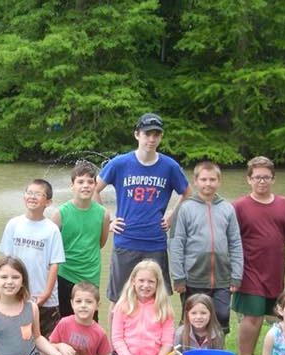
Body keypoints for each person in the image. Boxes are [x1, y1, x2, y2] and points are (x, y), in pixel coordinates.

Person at [95, 113, 191, 315]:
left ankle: (153, 345)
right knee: (119, 300)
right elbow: (93, 189)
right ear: (137, 135)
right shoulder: (120, 163)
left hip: (155, 242)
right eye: (147, 134)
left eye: (156, 134)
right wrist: (109, 219)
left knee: (156, 300)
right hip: (126, 241)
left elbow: (187, 193)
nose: (152, 139)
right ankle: (116, 347)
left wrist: (171, 216)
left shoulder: (169, 166)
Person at [232, 156, 285, 355]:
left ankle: (256, 354)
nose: (262, 181)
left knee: (271, 315)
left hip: (274, 269)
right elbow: (232, 238)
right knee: (253, 315)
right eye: (257, 177)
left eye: (266, 177)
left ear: (273, 179)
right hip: (248, 269)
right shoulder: (239, 206)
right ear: (249, 179)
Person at [169, 161, 243, 335]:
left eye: (212, 179)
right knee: (193, 317)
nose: (208, 183)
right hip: (193, 276)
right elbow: (176, 243)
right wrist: (178, 276)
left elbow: (235, 243)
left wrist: (236, 275)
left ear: (219, 181)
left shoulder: (227, 208)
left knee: (222, 316)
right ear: (195, 181)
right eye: (203, 179)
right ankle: (186, 354)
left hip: (222, 277)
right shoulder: (185, 208)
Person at [0, 179, 66, 338]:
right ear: (24, 197)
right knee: (17, 337)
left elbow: (54, 264)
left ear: (48, 202)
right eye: (29, 193)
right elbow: (6, 260)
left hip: (43, 296)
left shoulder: (52, 229)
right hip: (16, 292)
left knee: (43, 339)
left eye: (38, 194)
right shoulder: (13, 224)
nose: (32, 197)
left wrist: (46, 294)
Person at [110, 259, 175, 355]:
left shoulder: (165, 309)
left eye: (151, 281)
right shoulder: (122, 306)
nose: (145, 285)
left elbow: (167, 343)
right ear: (133, 281)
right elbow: (117, 339)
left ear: (157, 284)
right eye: (141, 280)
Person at [51, 161, 110, 319]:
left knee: (90, 322)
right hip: (65, 274)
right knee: (65, 320)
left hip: (90, 276)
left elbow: (101, 243)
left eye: (90, 182)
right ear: (72, 185)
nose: (86, 186)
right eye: (80, 182)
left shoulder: (103, 213)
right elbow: (51, 248)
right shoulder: (60, 213)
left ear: (95, 185)